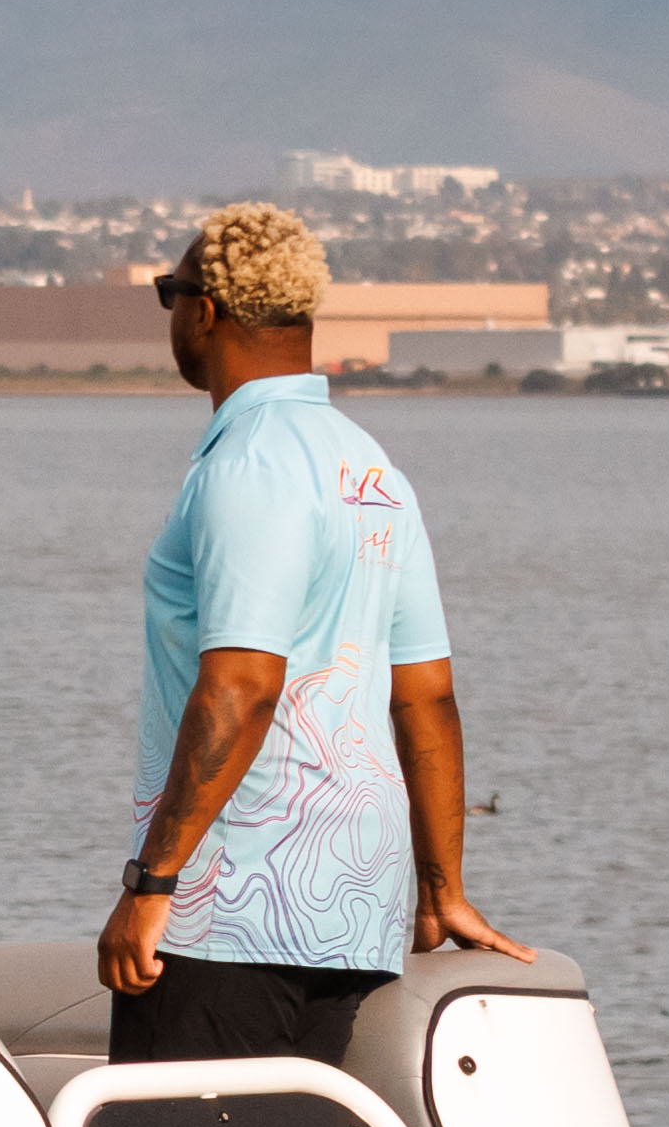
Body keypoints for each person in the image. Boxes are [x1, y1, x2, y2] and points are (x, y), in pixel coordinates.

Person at [94, 203, 518, 1063]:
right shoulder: (370, 468)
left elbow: (242, 687)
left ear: (203, 311)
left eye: (168, 294)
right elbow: (426, 696)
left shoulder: (248, 464)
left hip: (225, 916)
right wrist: (441, 889)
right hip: (351, 918)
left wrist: (153, 882)